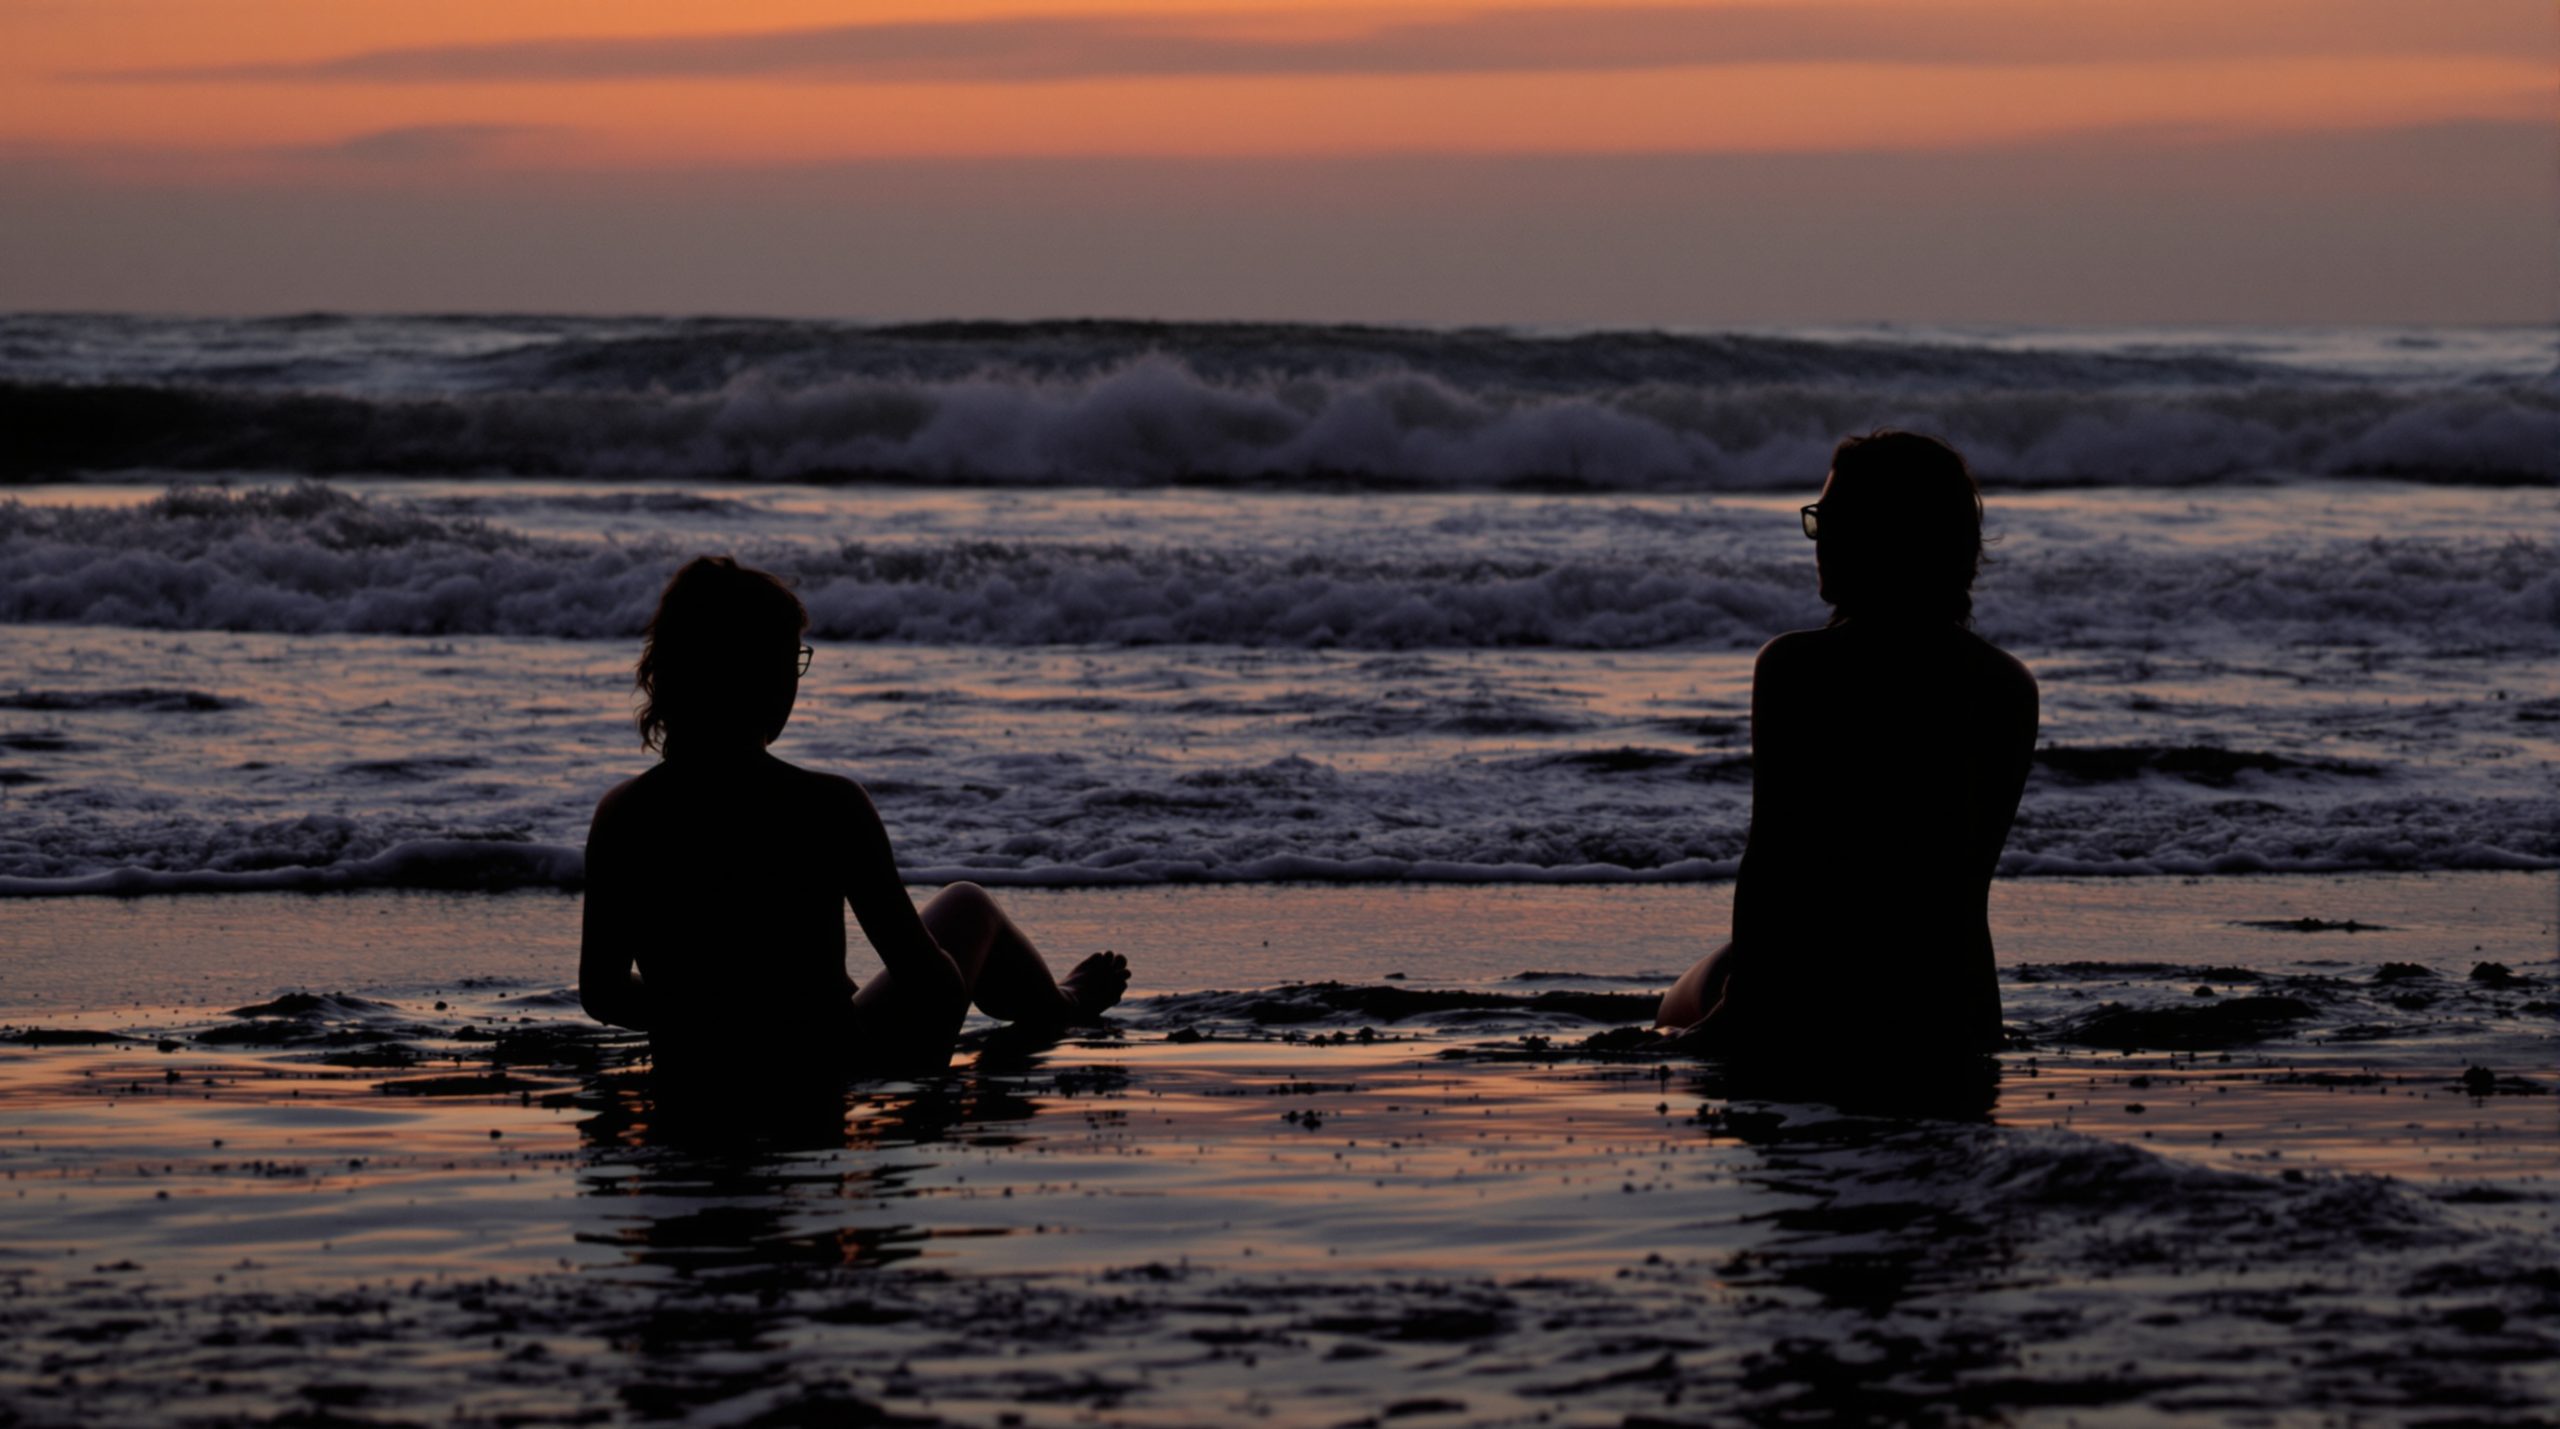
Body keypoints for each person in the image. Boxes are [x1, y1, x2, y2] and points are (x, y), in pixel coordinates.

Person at [579, 556, 1128, 1089]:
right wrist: (941, 978)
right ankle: (1065, 1005)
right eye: (792, 659)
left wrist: (712, 1015)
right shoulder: (826, 804)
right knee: (967, 906)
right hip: (829, 1068)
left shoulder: (622, 812)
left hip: (696, 1068)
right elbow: (922, 979)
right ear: (765, 676)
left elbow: (602, 993)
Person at [1657, 431, 2038, 1079]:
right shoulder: (2007, 684)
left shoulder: (1799, 667)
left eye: (1831, 519)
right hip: (1957, 1008)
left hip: (1823, 1007)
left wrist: (1741, 1010)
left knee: (1688, 991)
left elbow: (1774, 857)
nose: (1819, 537)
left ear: (1882, 533)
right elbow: (1954, 884)